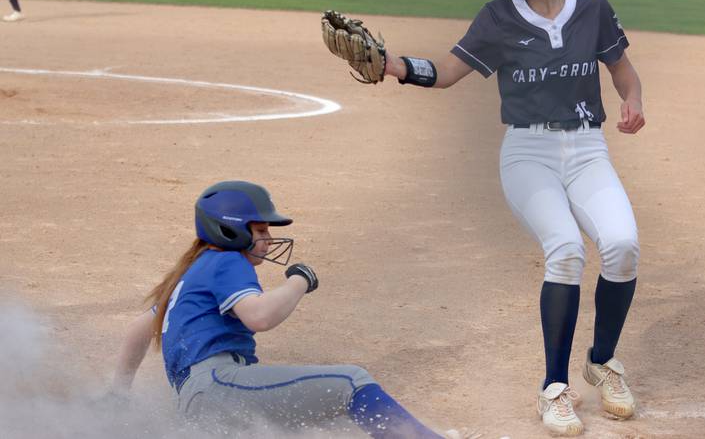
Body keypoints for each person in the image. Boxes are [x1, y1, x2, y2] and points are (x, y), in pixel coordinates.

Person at [345, 0, 644, 436]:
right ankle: (554, 389)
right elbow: (445, 74)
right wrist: (394, 66)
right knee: (567, 251)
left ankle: (601, 360)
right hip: (528, 152)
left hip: (587, 147)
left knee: (622, 246)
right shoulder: (498, 16)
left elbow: (621, 69)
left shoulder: (591, 5)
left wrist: (633, 101)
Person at [110, 180, 474, 439]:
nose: (268, 240)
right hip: (221, 387)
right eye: (261, 230)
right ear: (231, 231)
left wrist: (119, 392)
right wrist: (299, 280)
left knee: (325, 419)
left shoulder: (187, 275)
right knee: (351, 382)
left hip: (198, 403)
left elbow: (138, 330)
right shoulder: (227, 261)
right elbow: (259, 316)